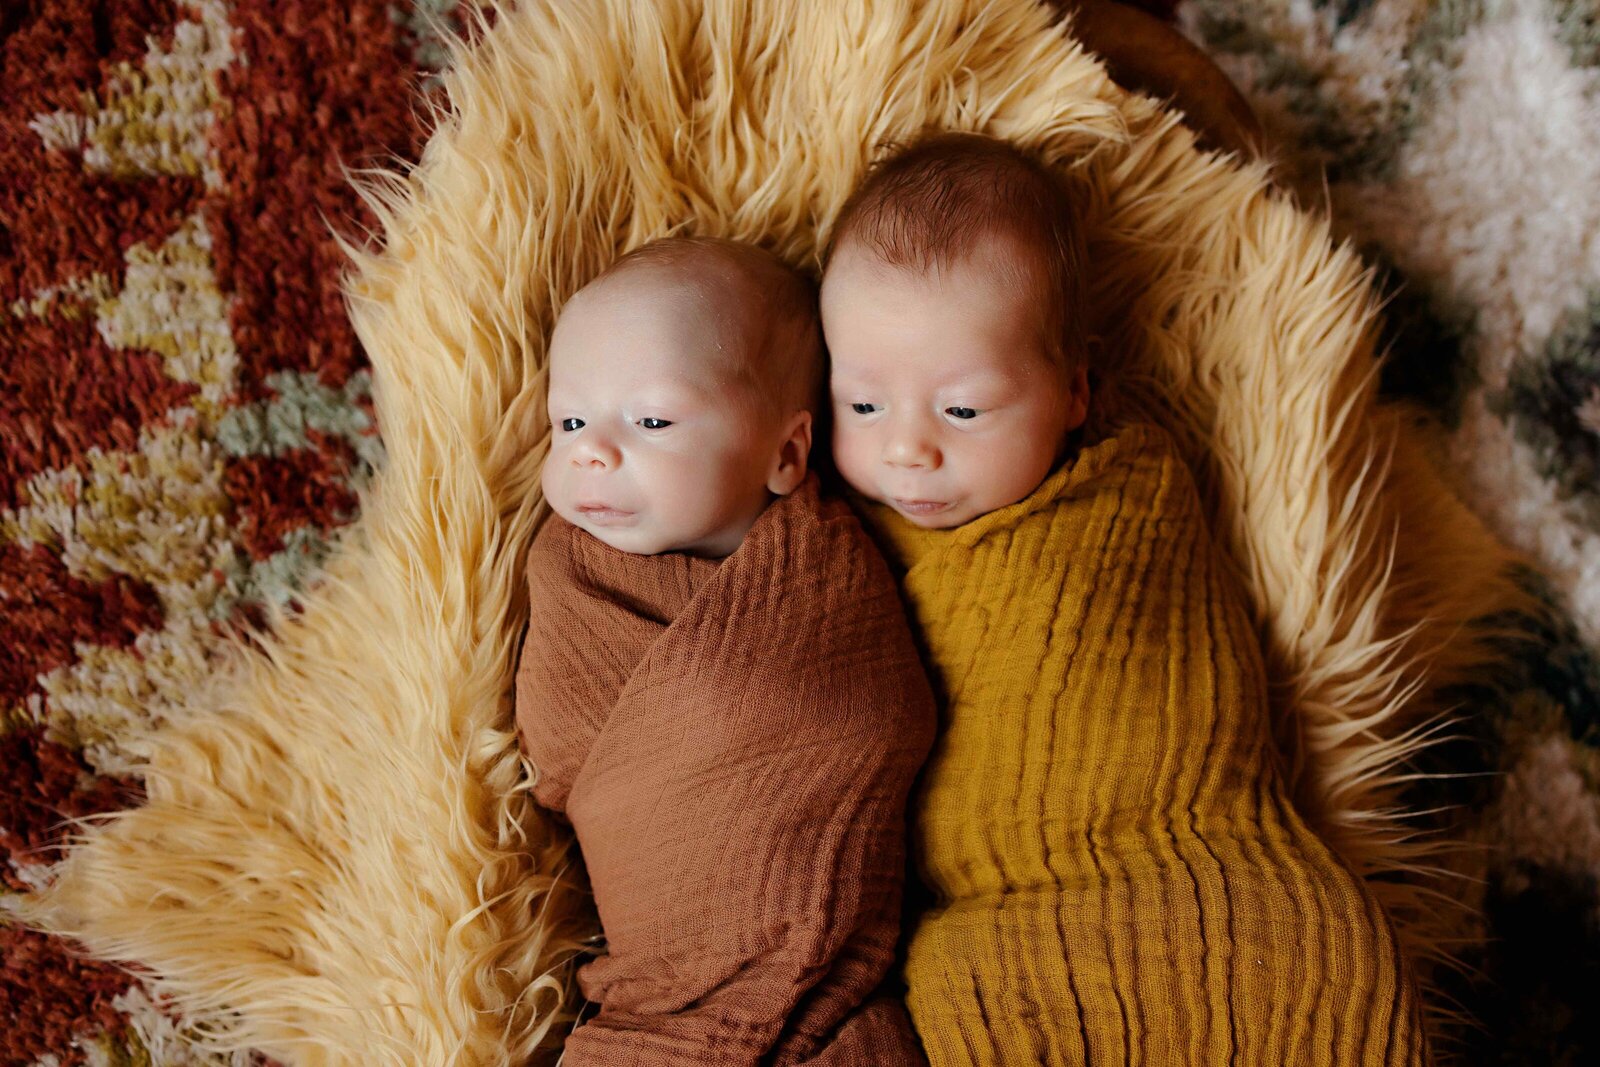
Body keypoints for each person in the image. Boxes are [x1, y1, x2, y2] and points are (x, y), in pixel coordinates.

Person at [819, 132, 1430, 1066]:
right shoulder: (833, 539)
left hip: (1213, 858)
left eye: (965, 408)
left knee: (1321, 965)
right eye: (863, 405)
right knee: (961, 998)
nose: (907, 450)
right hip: (999, 913)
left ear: (1073, 391)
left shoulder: (1132, 491)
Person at [516, 236, 935, 1066]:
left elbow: (886, 717)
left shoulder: (830, 570)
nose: (590, 450)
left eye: (652, 420)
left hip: (836, 1003)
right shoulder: (570, 570)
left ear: (785, 453)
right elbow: (555, 754)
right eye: (570, 420)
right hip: (657, 1005)